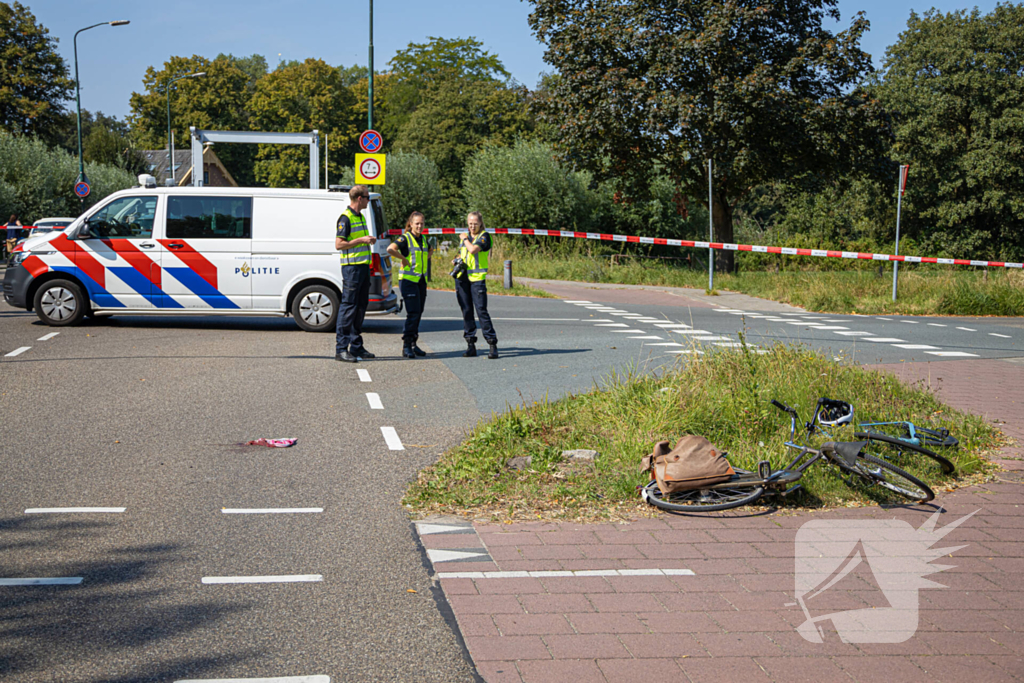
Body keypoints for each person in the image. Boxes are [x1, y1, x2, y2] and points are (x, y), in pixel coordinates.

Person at [334, 185, 376, 363]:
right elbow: (339, 244)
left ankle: (356, 346)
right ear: (359, 198)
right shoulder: (346, 217)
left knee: (360, 307)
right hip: (352, 269)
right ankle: (341, 349)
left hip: (363, 267)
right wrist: (361, 240)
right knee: (349, 308)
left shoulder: (360, 216)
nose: (368, 200)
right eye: (367, 197)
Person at [454, 211, 498, 359]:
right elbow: (463, 253)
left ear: (480, 223)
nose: (472, 226)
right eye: (470, 223)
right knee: (466, 311)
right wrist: (456, 260)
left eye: (475, 223)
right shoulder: (466, 237)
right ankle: (470, 344)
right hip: (462, 278)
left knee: (481, 311)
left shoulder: (484, 236)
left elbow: (473, 250)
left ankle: (492, 344)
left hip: (477, 279)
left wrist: (465, 239)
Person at [387, 211, 429, 359]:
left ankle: (413, 344)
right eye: (417, 223)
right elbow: (390, 249)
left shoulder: (423, 239)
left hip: (420, 280)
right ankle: (406, 345)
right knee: (413, 313)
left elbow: (428, 251)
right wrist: (402, 259)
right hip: (408, 281)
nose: (419, 226)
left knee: (419, 312)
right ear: (410, 224)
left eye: (422, 223)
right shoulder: (405, 238)